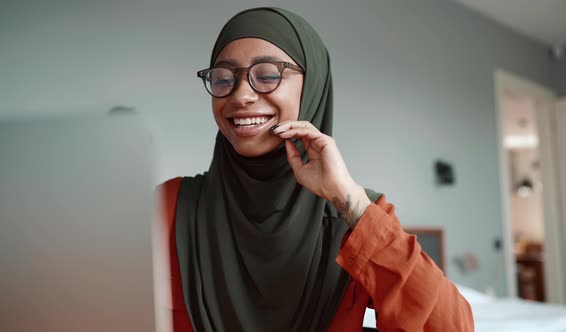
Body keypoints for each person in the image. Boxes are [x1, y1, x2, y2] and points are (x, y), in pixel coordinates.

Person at [157, 7, 474, 332]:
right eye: (224, 79)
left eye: (267, 76)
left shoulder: (359, 219)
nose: (241, 95)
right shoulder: (171, 206)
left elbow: (450, 328)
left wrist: (347, 199)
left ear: (313, 86)